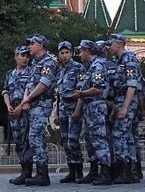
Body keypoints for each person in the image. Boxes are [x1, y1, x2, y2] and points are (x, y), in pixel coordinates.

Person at [17, 34, 56, 186]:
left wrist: (28, 99)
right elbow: (29, 84)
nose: (29, 46)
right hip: (34, 104)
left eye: (32, 43)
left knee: (35, 137)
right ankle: (39, 172)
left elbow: (43, 84)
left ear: (40, 45)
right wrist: (26, 99)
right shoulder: (35, 63)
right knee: (33, 137)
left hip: (42, 104)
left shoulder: (48, 62)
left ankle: (42, 174)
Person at [72, 39, 112, 186]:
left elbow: (98, 88)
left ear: (87, 51)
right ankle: (94, 171)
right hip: (89, 107)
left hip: (96, 106)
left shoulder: (98, 66)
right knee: (90, 141)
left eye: (81, 51)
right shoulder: (90, 67)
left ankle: (106, 172)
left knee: (99, 139)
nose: (80, 54)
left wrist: (81, 93)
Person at [106, 33, 142, 184]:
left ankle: (127, 170)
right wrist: (116, 107)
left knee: (119, 134)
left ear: (118, 44)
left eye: (111, 44)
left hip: (127, 100)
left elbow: (132, 85)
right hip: (120, 99)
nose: (109, 47)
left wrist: (125, 107)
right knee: (127, 136)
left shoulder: (129, 59)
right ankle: (131, 171)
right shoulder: (118, 61)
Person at [54, 40, 85, 183]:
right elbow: (59, 94)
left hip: (74, 105)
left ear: (71, 53)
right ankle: (71, 171)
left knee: (73, 140)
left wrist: (78, 109)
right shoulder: (60, 70)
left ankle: (79, 171)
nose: (65, 55)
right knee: (65, 141)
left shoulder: (78, 68)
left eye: (67, 52)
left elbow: (81, 91)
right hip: (63, 107)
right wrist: (56, 113)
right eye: (62, 53)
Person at [2, 45, 32, 185]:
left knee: (27, 141)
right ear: (16, 57)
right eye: (22, 55)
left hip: (26, 110)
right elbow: (6, 91)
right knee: (18, 141)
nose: (25, 58)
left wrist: (21, 106)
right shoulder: (10, 74)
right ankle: (23, 169)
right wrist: (8, 105)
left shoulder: (31, 72)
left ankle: (28, 172)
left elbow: (30, 92)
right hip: (13, 111)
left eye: (27, 56)